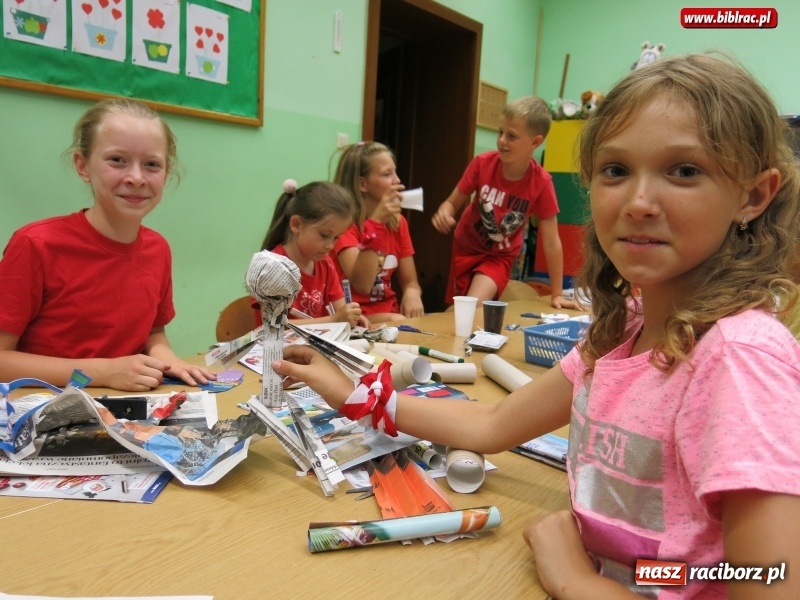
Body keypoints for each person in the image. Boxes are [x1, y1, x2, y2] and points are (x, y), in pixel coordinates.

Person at [273, 54, 800, 598]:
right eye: (616, 170)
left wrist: (575, 580)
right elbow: (493, 424)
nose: (639, 203)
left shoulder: (739, 358)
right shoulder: (625, 331)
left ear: (753, 196)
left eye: (684, 171)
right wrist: (350, 394)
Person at [0, 99, 215, 392]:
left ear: (166, 172)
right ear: (83, 166)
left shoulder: (158, 248)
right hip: (44, 413)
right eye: (117, 160)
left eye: (152, 164)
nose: (136, 178)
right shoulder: (36, 244)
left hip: (125, 409)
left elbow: (153, 333)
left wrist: (168, 360)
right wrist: (102, 372)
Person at [431, 95, 580, 310]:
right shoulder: (482, 164)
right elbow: (451, 203)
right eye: (501, 132)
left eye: (511, 136)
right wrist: (444, 212)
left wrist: (556, 293)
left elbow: (551, 242)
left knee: (472, 305)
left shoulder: (541, 182)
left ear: (535, 142)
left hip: (498, 257)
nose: (502, 140)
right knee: (459, 309)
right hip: (465, 246)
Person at [256, 179, 369, 328]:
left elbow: (340, 311)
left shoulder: (325, 264)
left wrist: (352, 318)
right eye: (324, 235)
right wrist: (334, 320)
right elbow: (273, 327)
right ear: (296, 224)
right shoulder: (272, 267)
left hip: (313, 347)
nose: (330, 245)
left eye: (336, 237)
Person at [332, 141, 424, 323]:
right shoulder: (344, 226)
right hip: (355, 318)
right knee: (398, 320)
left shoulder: (397, 222)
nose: (397, 180)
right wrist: (376, 224)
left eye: (395, 172)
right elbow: (363, 285)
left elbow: (410, 281)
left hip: (390, 315)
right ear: (363, 184)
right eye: (387, 174)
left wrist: (412, 292)